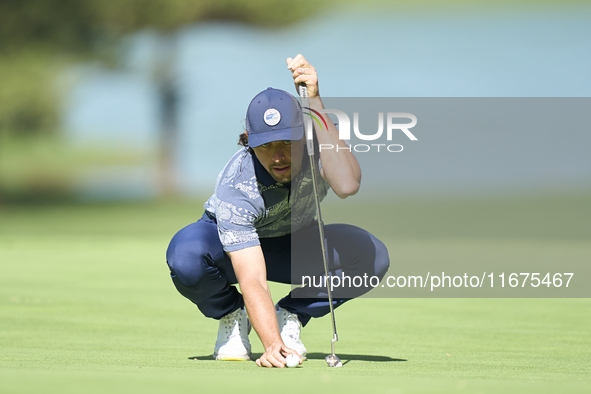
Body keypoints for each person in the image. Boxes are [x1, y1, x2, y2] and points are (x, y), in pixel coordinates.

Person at [166, 54, 390, 368]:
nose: (278, 156)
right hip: (225, 248)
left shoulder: (319, 143)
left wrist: (314, 99)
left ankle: (294, 312)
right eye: (266, 145)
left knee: (372, 255)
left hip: (293, 242)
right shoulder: (237, 186)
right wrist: (272, 346)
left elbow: (347, 185)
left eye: (287, 141)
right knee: (186, 256)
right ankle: (232, 314)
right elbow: (253, 277)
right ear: (248, 142)